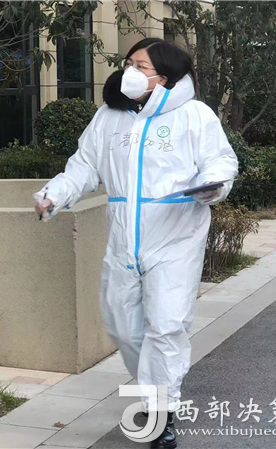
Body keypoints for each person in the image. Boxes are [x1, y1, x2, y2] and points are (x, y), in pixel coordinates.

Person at [34, 38, 238, 449]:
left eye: (140, 66)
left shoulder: (194, 116)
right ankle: (153, 388)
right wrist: (54, 194)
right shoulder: (110, 117)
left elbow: (220, 161)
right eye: (128, 63)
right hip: (124, 241)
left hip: (175, 238)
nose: (130, 71)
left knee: (166, 326)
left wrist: (214, 185)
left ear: (165, 77)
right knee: (123, 328)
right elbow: (84, 166)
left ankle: (161, 414)